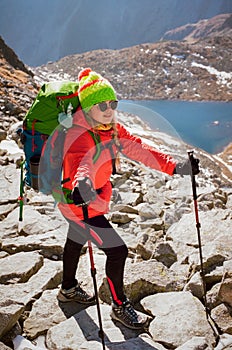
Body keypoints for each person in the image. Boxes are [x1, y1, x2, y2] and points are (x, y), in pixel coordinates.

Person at [57, 68, 199, 329]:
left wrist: (177, 167)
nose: (109, 109)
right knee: (117, 251)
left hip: (87, 198)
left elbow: (141, 149)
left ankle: (67, 289)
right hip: (79, 202)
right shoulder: (80, 135)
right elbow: (81, 165)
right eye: (102, 104)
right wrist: (83, 184)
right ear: (88, 108)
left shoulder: (111, 130)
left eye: (113, 103)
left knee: (75, 239)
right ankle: (119, 306)